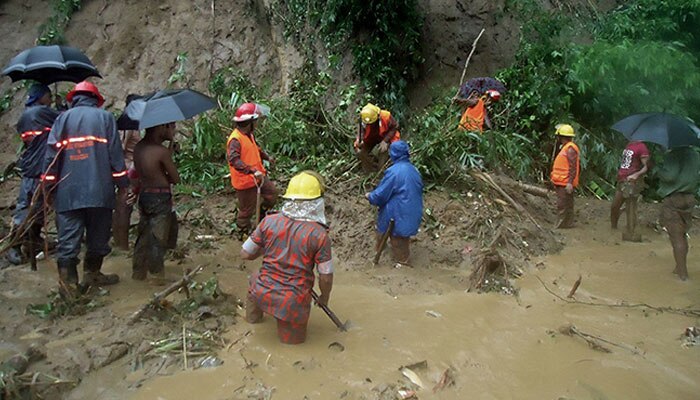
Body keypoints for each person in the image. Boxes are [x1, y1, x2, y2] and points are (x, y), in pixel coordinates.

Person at [42, 81, 128, 292]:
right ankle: (93, 275)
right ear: (96, 100)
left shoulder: (61, 119)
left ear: (74, 99)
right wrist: (123, 184)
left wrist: (48, 187)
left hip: (68, 192)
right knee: (98, 238)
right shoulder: (105, 118)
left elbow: (51, 157)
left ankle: (69, 286)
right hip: (100, 191)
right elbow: (115, 155)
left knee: (68, 240)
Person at [241, 171, 333, 344]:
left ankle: (253, 321)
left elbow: (245, 253)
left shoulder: (269, 221)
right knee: (291, 348)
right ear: (317, 202)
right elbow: (326, 277)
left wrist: (266, 247)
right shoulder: (319, 235)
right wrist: (324, 298)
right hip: (291, 301)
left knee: (254, 280)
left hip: (262, 290)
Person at [6, 84, 60, 265]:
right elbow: (65, 120)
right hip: (38, 167)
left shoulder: (26, 115)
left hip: (33, 165)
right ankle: (14, 245)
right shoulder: (40, 112)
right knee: (29, 206)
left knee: (38, 206)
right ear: (41, 96)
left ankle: (33, 240)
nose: (51, 98)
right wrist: (61, 108)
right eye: (49, 95)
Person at [132, 122, 180, 281]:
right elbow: (176, 178)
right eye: (171, 127)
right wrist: (169, 156)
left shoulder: (139, 147)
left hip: (145, 195)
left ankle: (138, 272)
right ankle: (156, 277)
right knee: (158, 238)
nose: (174, 130)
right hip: (160, 197)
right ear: (161, 127)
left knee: (143, 235)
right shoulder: (161, 151)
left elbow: (149, 172)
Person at [365, 140, 423, 264]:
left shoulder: (393, 172)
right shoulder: (414, 170)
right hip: (412, 214)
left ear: (393, 154)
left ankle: (400, 263)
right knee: (402, 240)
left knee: (397, 242)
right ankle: (390, 256)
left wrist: (370, 196)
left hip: (398, 215)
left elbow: (380, 195)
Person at [226, 102, 278, 239]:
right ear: (250, 122)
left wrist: (267, 157)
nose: (257, 124)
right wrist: (251, 170)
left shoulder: (249, 135)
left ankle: (261, 218)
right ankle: (242, 233)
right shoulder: (235, 139)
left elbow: (255, 149)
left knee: (272, 194)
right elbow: (234, 160)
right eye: (255, 121)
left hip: (258, 176)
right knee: (246, 211)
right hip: (246, 181)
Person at [657, 146, 700, 281]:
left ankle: (683, 275)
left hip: (674, 198)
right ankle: (679, 267)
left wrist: (656, 168)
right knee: (682, 234)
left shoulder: (673, 155)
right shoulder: (695, 154)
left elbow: (669, 176)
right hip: (689, 198)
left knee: (676, 236)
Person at [112, 94, 144, 250]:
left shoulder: (129, 123)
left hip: (131, 168)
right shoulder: (129, 124)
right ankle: (122, 245)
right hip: (129, 168)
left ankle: (119, 243)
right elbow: (122, 148)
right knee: (124, 206)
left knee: (123, 205)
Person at [610, 140, 650, 240]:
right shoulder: (629, 145)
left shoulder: (642, 147)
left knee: (630, 206)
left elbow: (646, 166)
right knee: (615, 205)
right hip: (622, 179)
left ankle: (631, 232)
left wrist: (636, 175)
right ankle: (614, 227)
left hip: (632, 181)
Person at [354, 103, 401, 172]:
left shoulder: (386, 116)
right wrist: (359, 140)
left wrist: (385, 141)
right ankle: (370, 171)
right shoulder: (364, 119)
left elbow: (394, 127)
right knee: (361, 153)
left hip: (385, 136)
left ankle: (382, 169)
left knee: (383, 152)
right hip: (371, 137)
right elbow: (361, 131)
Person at [550, 123, 580, 229]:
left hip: (565, 182)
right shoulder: (566, 148)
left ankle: (560, 225)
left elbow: (573, 167)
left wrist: (569, 183)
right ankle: (568, 223)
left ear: (561, 137)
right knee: (567, 203)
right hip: (562, 181)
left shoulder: (570, 149)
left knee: (562, 204)